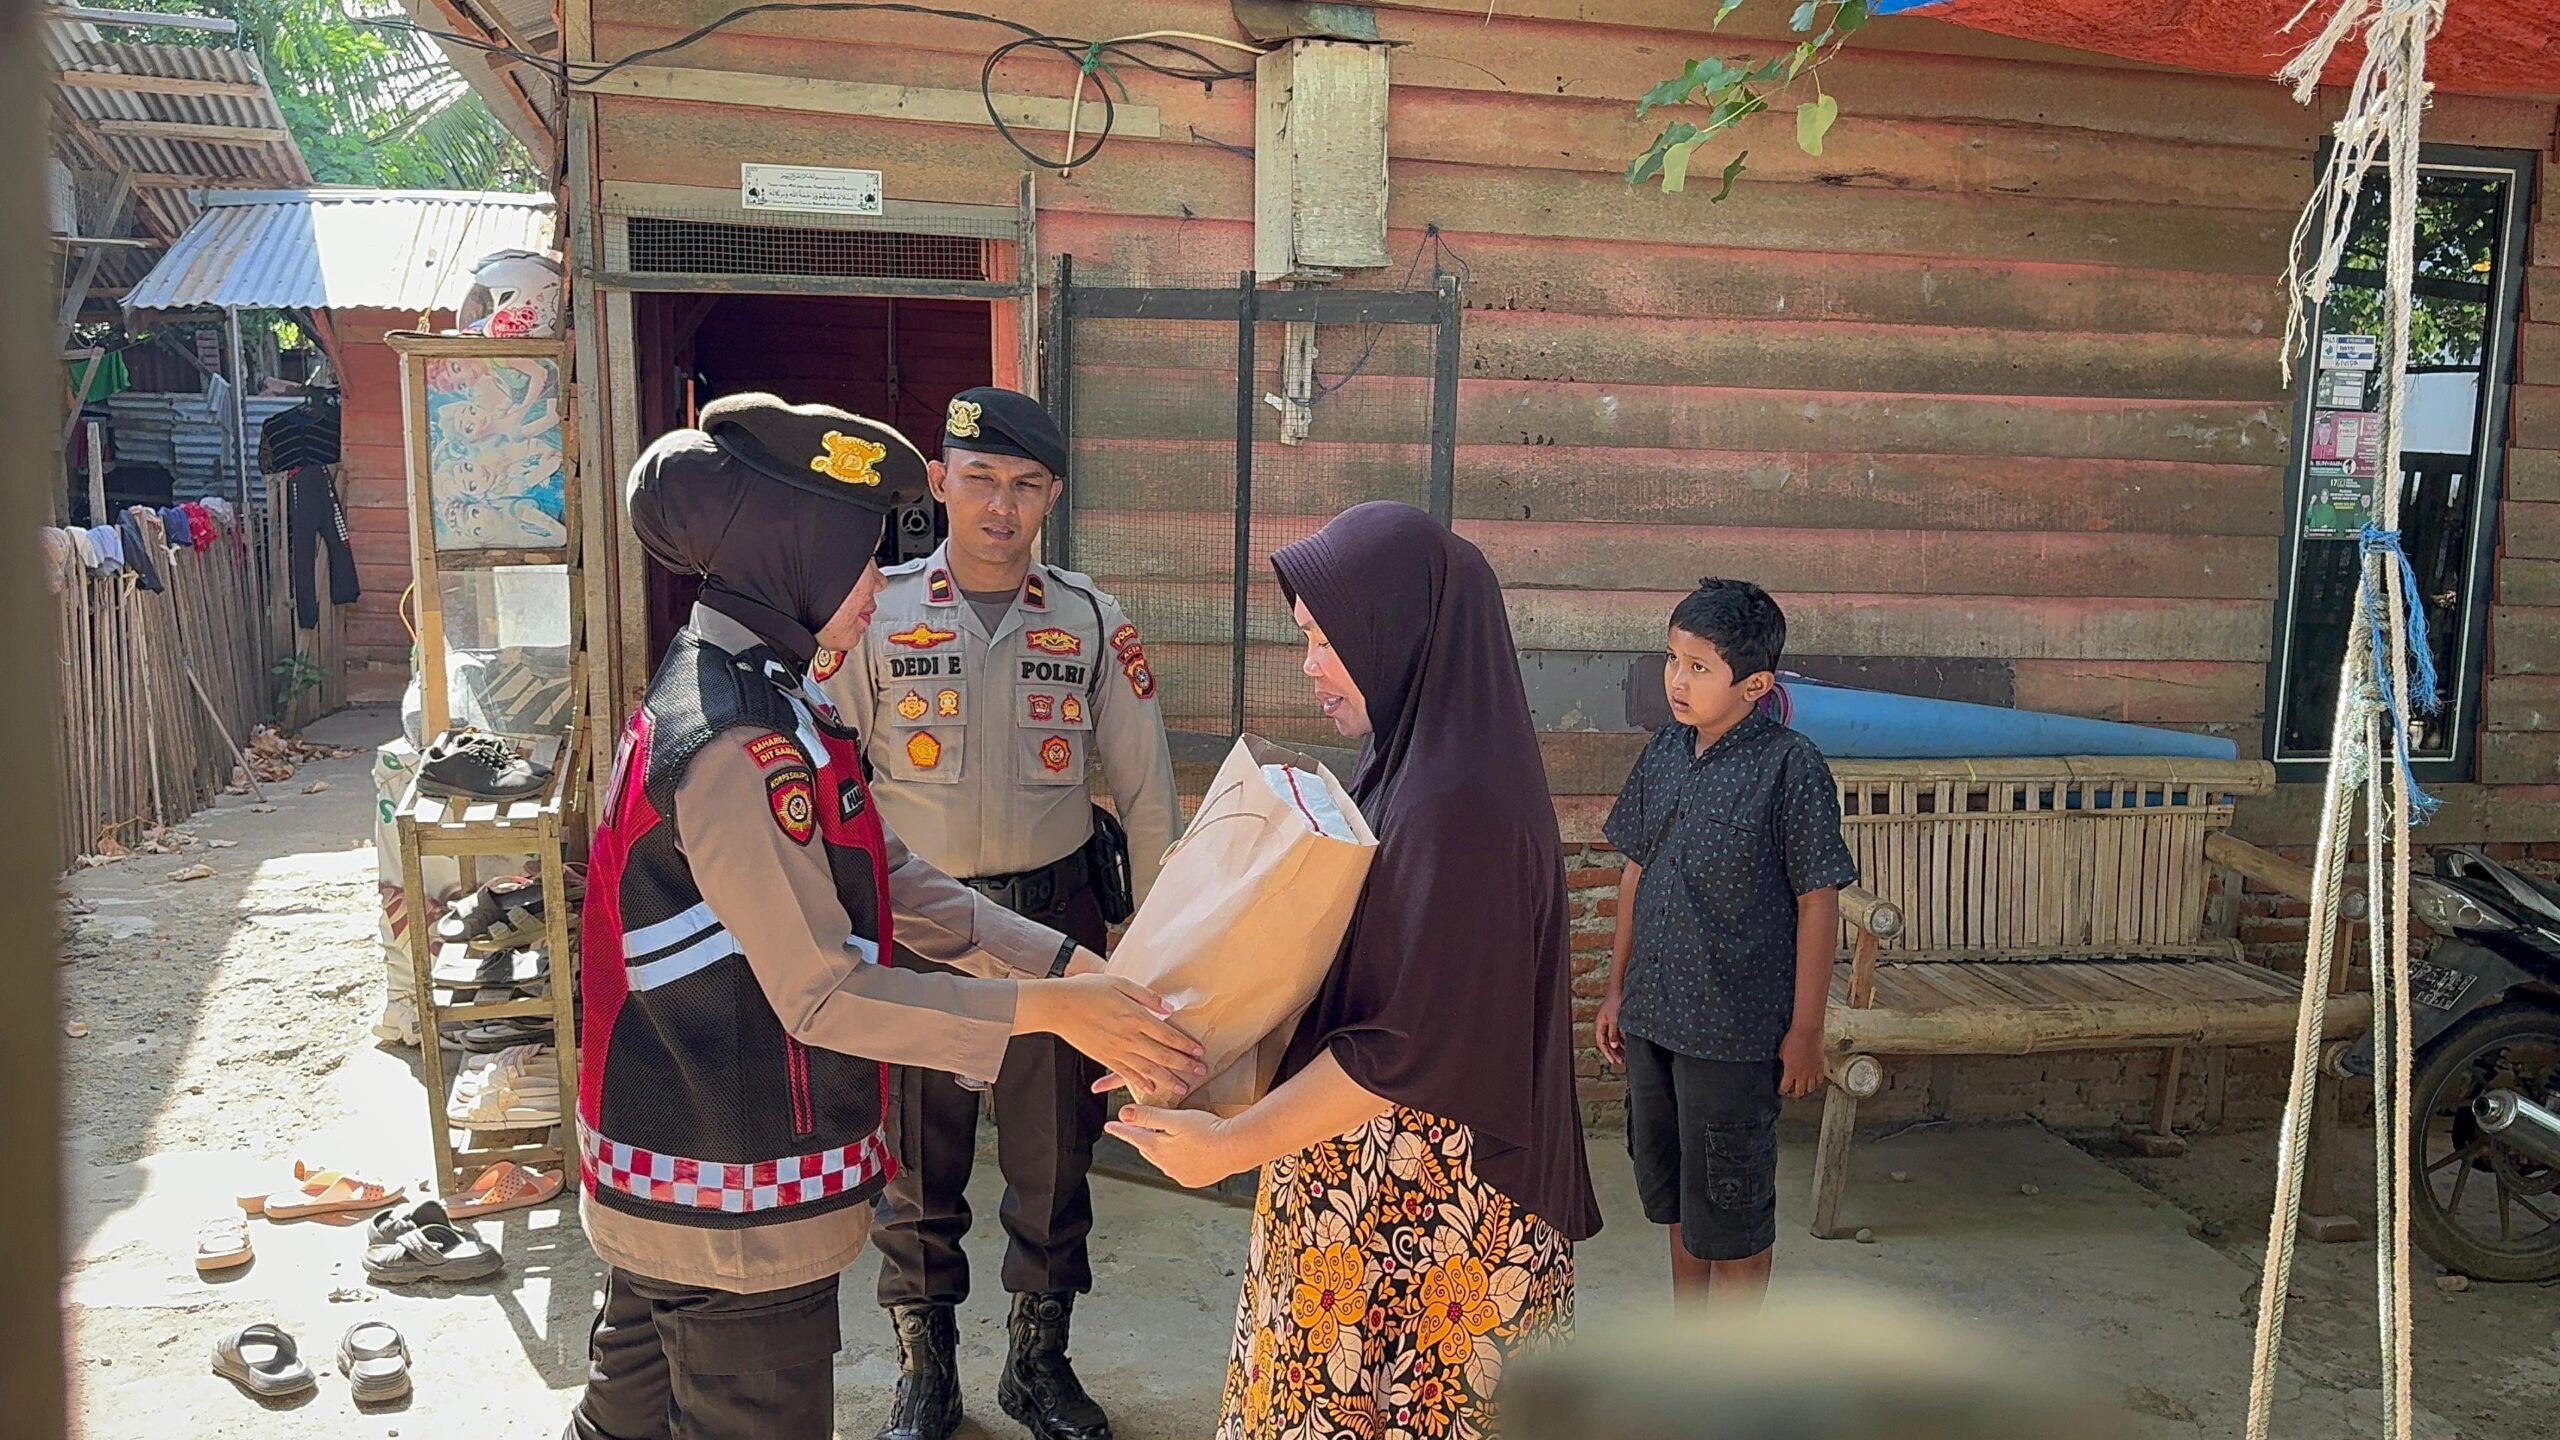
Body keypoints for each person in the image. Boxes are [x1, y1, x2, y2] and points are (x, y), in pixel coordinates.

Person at [565, 394, 1205, 1440]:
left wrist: (1064, 971)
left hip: (694, 1179)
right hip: (729, 1202)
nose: (874, 586)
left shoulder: (768, 695)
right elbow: (822, 993)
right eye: (859, 555)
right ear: (795, 549)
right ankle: (929, 1368)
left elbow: (891, 871)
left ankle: (1032, 1363)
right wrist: (1053, 1010)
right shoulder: (736, 739)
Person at [1107, 501, 1602, 1440]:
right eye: (1304, 638)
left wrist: (1227, 1148)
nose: (1311, 667)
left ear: (1399, 630)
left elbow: (1401, 1049)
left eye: (1327, 640)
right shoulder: (1417, 764)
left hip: (1419, 1223)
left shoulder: (1461, 812)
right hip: (1371, 1195)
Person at [820, 386, 1180, 1440]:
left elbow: (1149, 802)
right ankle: (923, 1373)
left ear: (1051, 497)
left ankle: (1037, 1363)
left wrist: (1148, 959)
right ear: (940, 481)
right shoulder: (873, 615)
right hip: (920, 935)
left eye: (1025, 487)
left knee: (1054, 1161)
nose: (999, 507)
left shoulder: (1089, 622)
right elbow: (827, 790)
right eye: (979, 480)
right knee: (916, 1165)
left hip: (1058, 935)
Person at [1592, 578, 1859, 1308]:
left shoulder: (1789, 766)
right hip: (1654, 1019)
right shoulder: (1667, 751)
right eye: (1673, 660)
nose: (1678, 680)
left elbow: (1818, 899)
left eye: (1699, 666)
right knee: (1678, 1199)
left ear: (1755, 684)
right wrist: (1617, 990)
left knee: (1732, 1212)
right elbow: (1633, 873)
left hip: (1733, 1033)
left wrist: (1807, 1029)